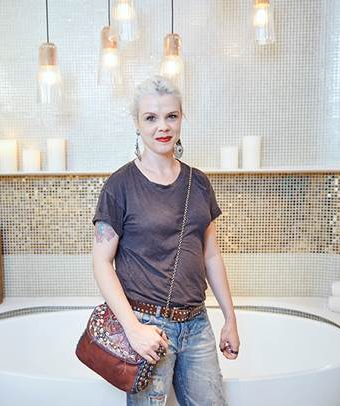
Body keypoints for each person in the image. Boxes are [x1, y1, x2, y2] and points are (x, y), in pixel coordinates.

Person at [92, 76, 240, 405]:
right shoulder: (119, 186)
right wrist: (133, 329)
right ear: (137, 124)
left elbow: (211, 255)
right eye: (151, 118)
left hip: (197, 324)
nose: (163, 126)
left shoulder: (199, 183)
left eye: (171, 116)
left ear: (181, 118)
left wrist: (230, 318)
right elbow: (101, 262)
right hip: (148, 327)